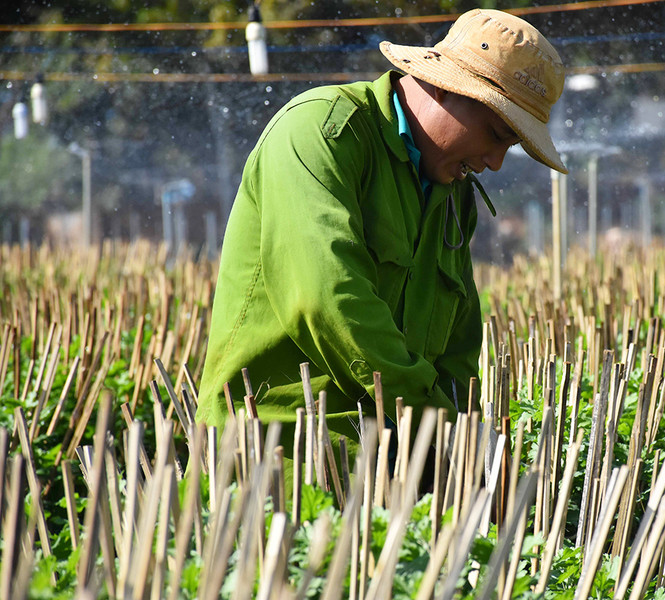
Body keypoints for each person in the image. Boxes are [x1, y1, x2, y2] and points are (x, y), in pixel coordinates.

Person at [196, 8, 568, 450]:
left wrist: (463, 441)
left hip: (392, 462)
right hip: (277, 455)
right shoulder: (322, 133)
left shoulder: (454, 193)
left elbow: (457, 345)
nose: (495, 162)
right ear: (445, 87)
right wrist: (439, 427)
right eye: (495, 134)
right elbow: (329, 298)